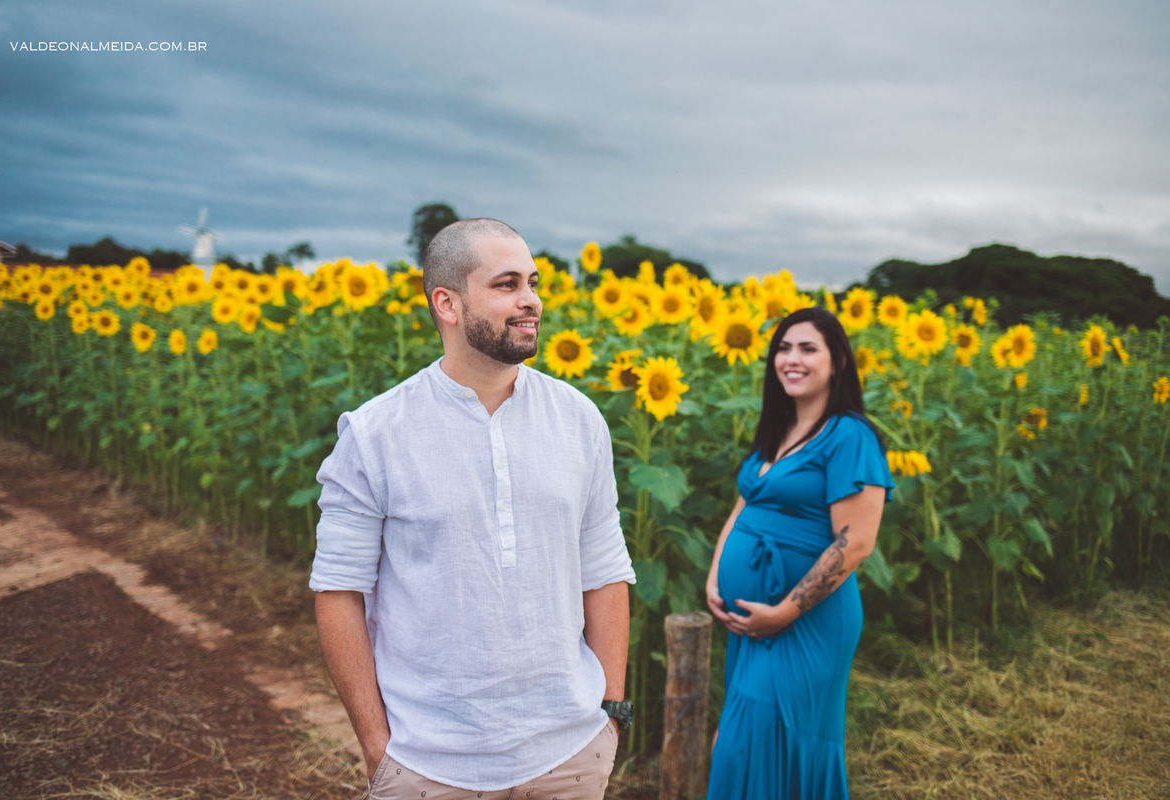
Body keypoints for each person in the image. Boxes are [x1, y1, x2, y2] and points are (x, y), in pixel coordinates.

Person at [309, 218, 636, 800]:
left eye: (533, 283)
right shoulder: (375, 433)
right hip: (428, 761)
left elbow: (605, 570)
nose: (531, 300)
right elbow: (338, 590)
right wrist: (377, 746)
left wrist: (610, 715)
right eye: (507, 284)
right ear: (448, 304)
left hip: (569, 753)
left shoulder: (579, 419)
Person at [705, 307, 893, 800]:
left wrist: (784, 613)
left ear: (839, 362)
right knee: (739, 745)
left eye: (808, 348)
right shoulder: (780, 430)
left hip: (806, 623)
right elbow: (745, 505)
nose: (792, 359)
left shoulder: (850, 435)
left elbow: (856, 541)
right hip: (753, 623)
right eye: (784, 348)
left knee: (766, 741)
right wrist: (715, 575)